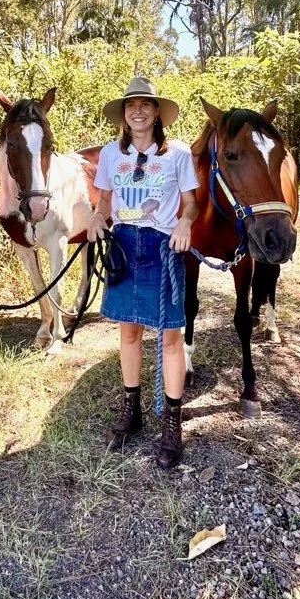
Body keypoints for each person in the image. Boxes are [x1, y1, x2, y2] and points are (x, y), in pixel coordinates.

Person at [87, 76, 198, 469]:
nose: (137, 110)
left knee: (171, 337)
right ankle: (132, 410)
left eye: (145, 105)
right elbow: (103, 201)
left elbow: (190, 204)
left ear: (156, 113)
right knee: (129, 331)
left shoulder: (178, 154)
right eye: (130, 105)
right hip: (123, 247)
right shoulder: (108, 155)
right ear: (123, 114)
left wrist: (185, 223)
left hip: (162, 247)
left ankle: (171, 422)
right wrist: (98, 219)